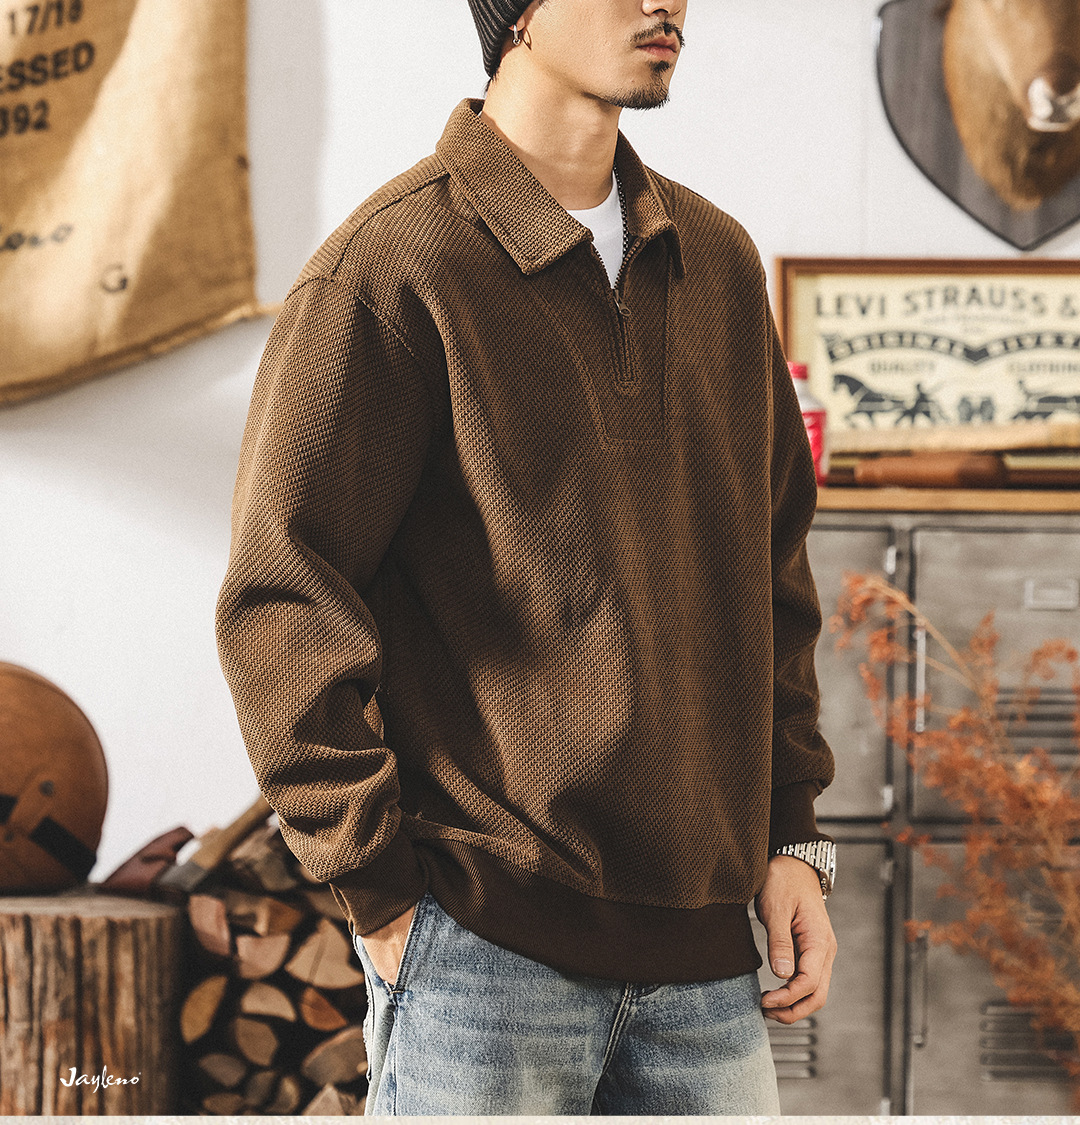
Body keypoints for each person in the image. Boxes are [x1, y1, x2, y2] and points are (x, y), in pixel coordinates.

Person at [216, 0, 838, 1114]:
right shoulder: (391, 267)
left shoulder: (717, 263)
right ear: (519, 12)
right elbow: (284, 599)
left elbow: (772, 579)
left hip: (708, 967)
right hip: (484, 952)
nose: (665, 3)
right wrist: (380, 890)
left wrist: (796, 836)